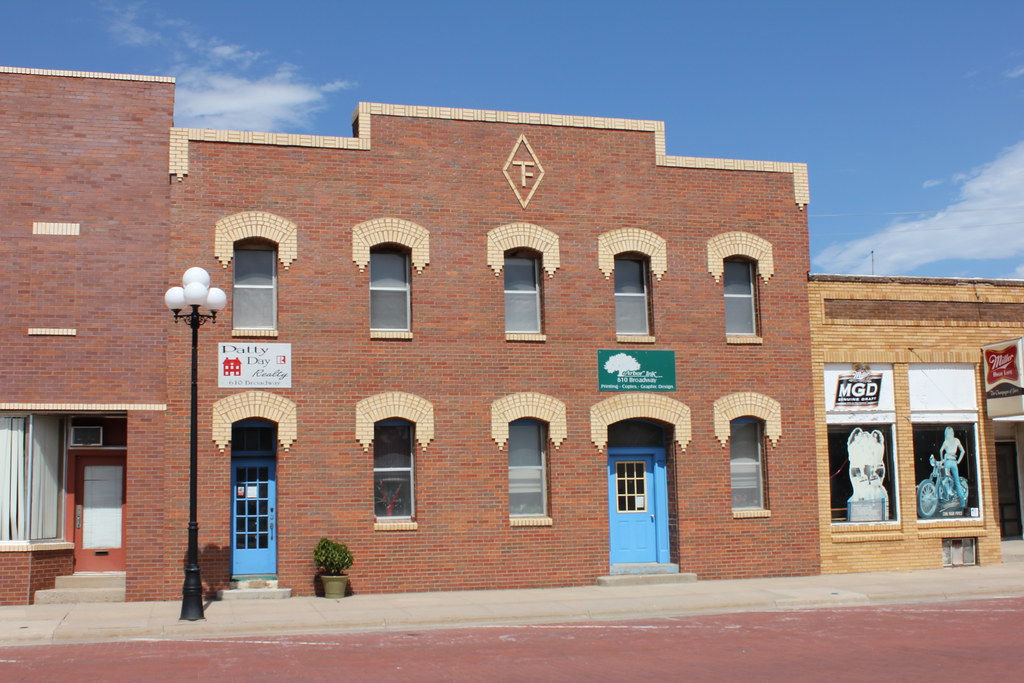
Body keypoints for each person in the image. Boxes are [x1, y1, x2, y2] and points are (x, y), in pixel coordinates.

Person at [938, 426, 967, 509]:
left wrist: (942, 460)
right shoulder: (956, 440)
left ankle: (947, 497)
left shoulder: (946, 441)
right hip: (954, 462)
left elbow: (941, 450)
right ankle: (962, 501)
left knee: (945, 480)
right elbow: (963, 451)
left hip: (947, 462)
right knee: (957, 481)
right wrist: (958, 461)